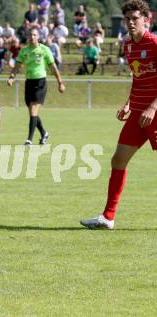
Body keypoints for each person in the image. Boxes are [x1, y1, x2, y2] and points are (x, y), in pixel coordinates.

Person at [80, 0, 157, 229]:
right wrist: (128, 104)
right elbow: (138, 79)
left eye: (135, 18)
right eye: (128, 19)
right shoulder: (128, 46)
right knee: (118, 160)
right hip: (137, 115)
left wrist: (153, 107)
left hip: (154, 113)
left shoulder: (154, 43)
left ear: (146, 19)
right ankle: (108, 217)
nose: (131, 22)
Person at [7, 27, 65, 146]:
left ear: (38, 37)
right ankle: (44, 133)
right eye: (30, 35)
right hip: (29, 82)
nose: (32, 37)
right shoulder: (24, 51)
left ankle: (29, 139)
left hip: (40, 82)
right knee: (32, 112)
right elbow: (17, 65)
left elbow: (53, 67)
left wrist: (60, 82)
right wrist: (12, 77)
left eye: (34, 35)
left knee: (33, 109)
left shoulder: (44, 50)